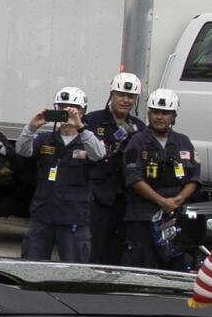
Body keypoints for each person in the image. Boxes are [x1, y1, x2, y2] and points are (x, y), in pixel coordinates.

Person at [14, 87, 105, 263]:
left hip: (73, 218)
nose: (68, 113)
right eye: (62, 108)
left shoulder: (88, 140)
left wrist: (81, 127)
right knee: (32, 267)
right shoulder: (45, 139)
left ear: (83, 112)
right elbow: (22, 151)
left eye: (73, 109)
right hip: (43, 215)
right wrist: (31, 127)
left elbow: (98, 154)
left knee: (74, 272)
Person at [121, 89, 201, 270]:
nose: (159, 117)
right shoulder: (136, 141)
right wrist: (161, 201)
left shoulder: (183, 142)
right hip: (143, 216)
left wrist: (178, 200)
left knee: (177, 267)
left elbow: (194, 177)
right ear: (148, 114)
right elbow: (133, 178)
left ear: (173, 116)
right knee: (142, 268)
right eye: (155, 112)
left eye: (165, 113)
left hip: (175, 216)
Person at [85, 73, 146, 264]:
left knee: (116, 253)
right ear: (111, 94)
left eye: (130, 97)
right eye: (121, 94)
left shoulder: (139, 127)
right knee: (92, 251)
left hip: (123, 199)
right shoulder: (92, 121)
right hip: (95, 198)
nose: (125, 100)